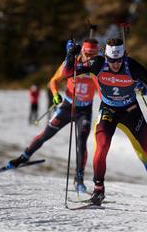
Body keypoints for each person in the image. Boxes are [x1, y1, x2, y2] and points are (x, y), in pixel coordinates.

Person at [62, 38, 147, 208]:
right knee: (101, 149)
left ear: (123, 56)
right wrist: (69, 56)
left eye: (118, 60)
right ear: (105, 56)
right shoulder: (97, 63)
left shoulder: (130, 65)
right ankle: (98, 190)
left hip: (131, 112)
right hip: (109, 111)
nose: (115, 65)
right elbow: (67, 73)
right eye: (111, 60)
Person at [7, 38, 100, 193]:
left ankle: (79, 179)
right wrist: (56, 94)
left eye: (93, 54)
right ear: (81, 50)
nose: (90, 57)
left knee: (81, 143)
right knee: (46, 133)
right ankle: (24, 156)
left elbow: (104, 89)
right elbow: (53, 81)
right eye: (87, 53)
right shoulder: (70, 63)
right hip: (67, 106)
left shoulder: (98, 66)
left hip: (85, 110)